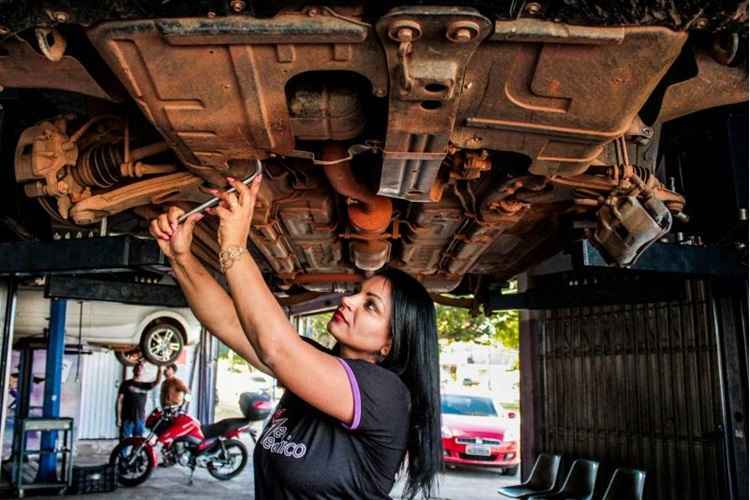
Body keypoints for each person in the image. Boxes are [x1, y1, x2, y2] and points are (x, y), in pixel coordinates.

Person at [149, 174, 442, 499]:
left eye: (370, 306)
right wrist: (181, 257)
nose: (348, 300)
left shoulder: (386, 394)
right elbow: (230, 322)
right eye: (358, 293)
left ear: (391, 343)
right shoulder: (310, 366)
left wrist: (233, 245)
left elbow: (276, 347)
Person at [116, 361, 161, 439]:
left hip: (140, 419)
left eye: (141, 368)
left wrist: (160, 368)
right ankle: (122, 452)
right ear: (133, 370)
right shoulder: (126, 384)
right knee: (123, 442)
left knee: (138, 443)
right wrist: (118, 417)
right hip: (127, 418)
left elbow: (157, 381)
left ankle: (134, 452)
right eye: (137, 367)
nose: (139, 369)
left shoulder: (146, 385)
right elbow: (119, 401)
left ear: (143, 372)